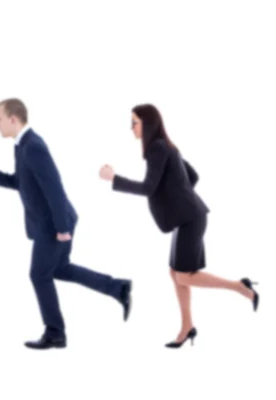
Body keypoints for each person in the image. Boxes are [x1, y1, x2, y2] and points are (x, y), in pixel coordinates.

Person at [99, 103, 259, 348]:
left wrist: (114, 179)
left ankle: (240, 287)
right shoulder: (165, 146)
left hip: (190, 219)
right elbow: (192, 177)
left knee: (184, 275)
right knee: (176, 273)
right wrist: (177, 198)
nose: (131, 127)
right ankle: (187, 327)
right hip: (187, 218)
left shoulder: (157, 148)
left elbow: (148, 188)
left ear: (147, 123)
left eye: (134, 122)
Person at [0, 98, 132, 350]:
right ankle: (119, 288)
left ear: (13, 119)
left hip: (52, 224)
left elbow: (54, 187)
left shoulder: (33, 146)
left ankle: (55, 333)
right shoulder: (22, 145)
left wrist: (61, 228)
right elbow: (22, 181)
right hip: (51, 222)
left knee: (39, 275)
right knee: (59, 270)